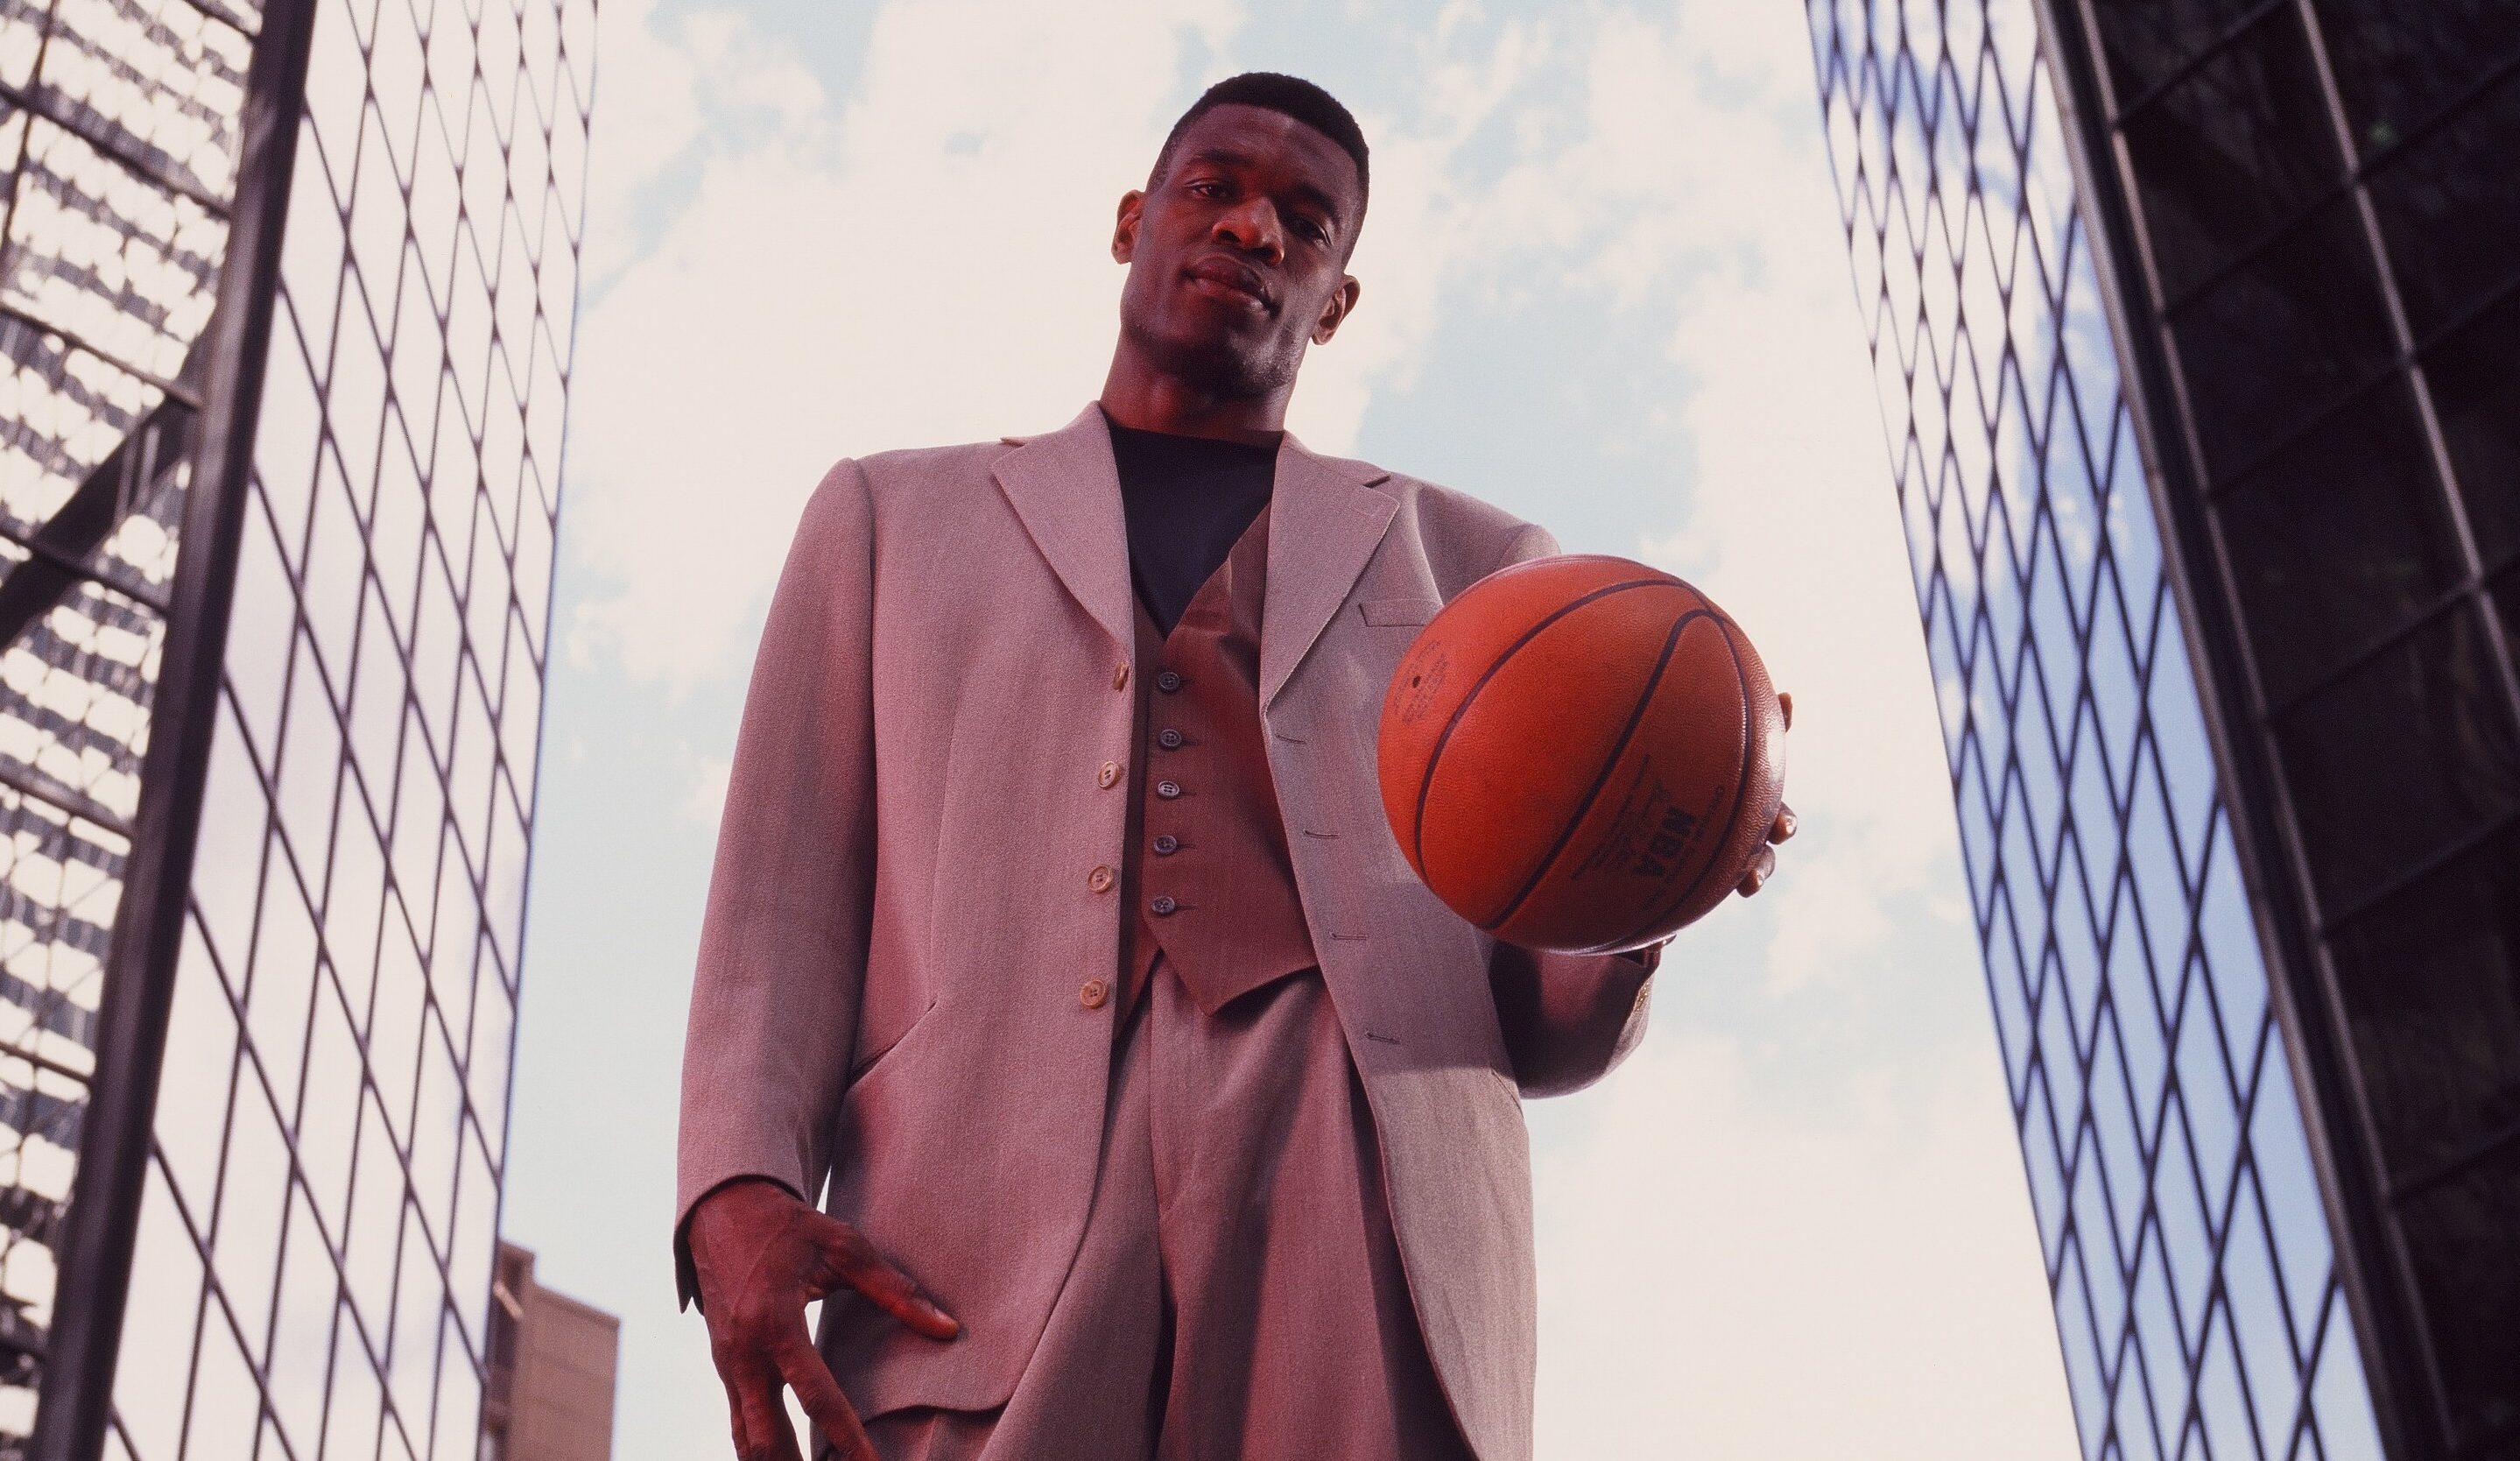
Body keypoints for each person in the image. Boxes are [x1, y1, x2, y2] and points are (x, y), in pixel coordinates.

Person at [675, 72, 1797, 1461]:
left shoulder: (1490, 574)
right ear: (1135, 221)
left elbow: (1544, 1026)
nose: (1255, 228)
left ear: (1335, 299)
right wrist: (735, 1182)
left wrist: (1652, 881)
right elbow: (778, 900)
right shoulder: (887, 517)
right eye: (1215, 188)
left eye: (1306, 221)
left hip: (1352, 1159)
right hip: (972, 1197)